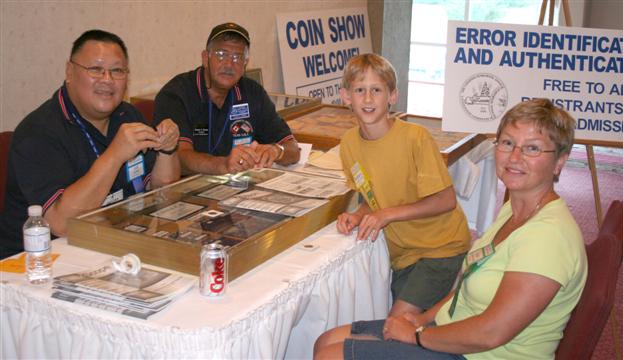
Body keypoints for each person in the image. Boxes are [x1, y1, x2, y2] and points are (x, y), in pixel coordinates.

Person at [314, 98, 588, 360]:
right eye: (507, 143)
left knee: (330, 355)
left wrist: (418, 335)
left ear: (560, 161)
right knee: (326, 341)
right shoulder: (514, 210)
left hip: (480, 355)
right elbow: (466, 286)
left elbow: (492, 333)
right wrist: (423, 318)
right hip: (454, 333)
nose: (514, 157)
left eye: (532, 148)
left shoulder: (548, 237)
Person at [0, 30, 180, 259]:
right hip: (36, 262)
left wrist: (167, 148)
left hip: (109, 242)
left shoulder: (127, 114)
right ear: (69, 71)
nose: (107, 80)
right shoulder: (38, 132)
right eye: (95, 69)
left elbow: (164, 189)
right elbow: (61, 224)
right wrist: (115, 154)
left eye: (117, 71)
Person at [336, 54, 471, 317]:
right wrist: (357, 216)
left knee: (398, 322)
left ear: (392, 96)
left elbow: (445, 200)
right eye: (359, 90)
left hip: (440, 247)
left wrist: (385, 215)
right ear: (345, 96)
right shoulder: (349, 144)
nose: (367, 99)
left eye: (377, 90)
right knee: (398, 320)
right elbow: (371, 199)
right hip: (402, 255)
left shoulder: (414, 138)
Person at [154, 22, 300, 175]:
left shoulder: (252, 92)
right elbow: (179, 158)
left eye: (237, 57)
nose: (229, 64)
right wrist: (224, 165)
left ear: (245, 63)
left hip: (240, 187)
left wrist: (277, 151)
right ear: (205, 58)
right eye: (221, 55)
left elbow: (293, 148)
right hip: (188, 190)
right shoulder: (176, 95)